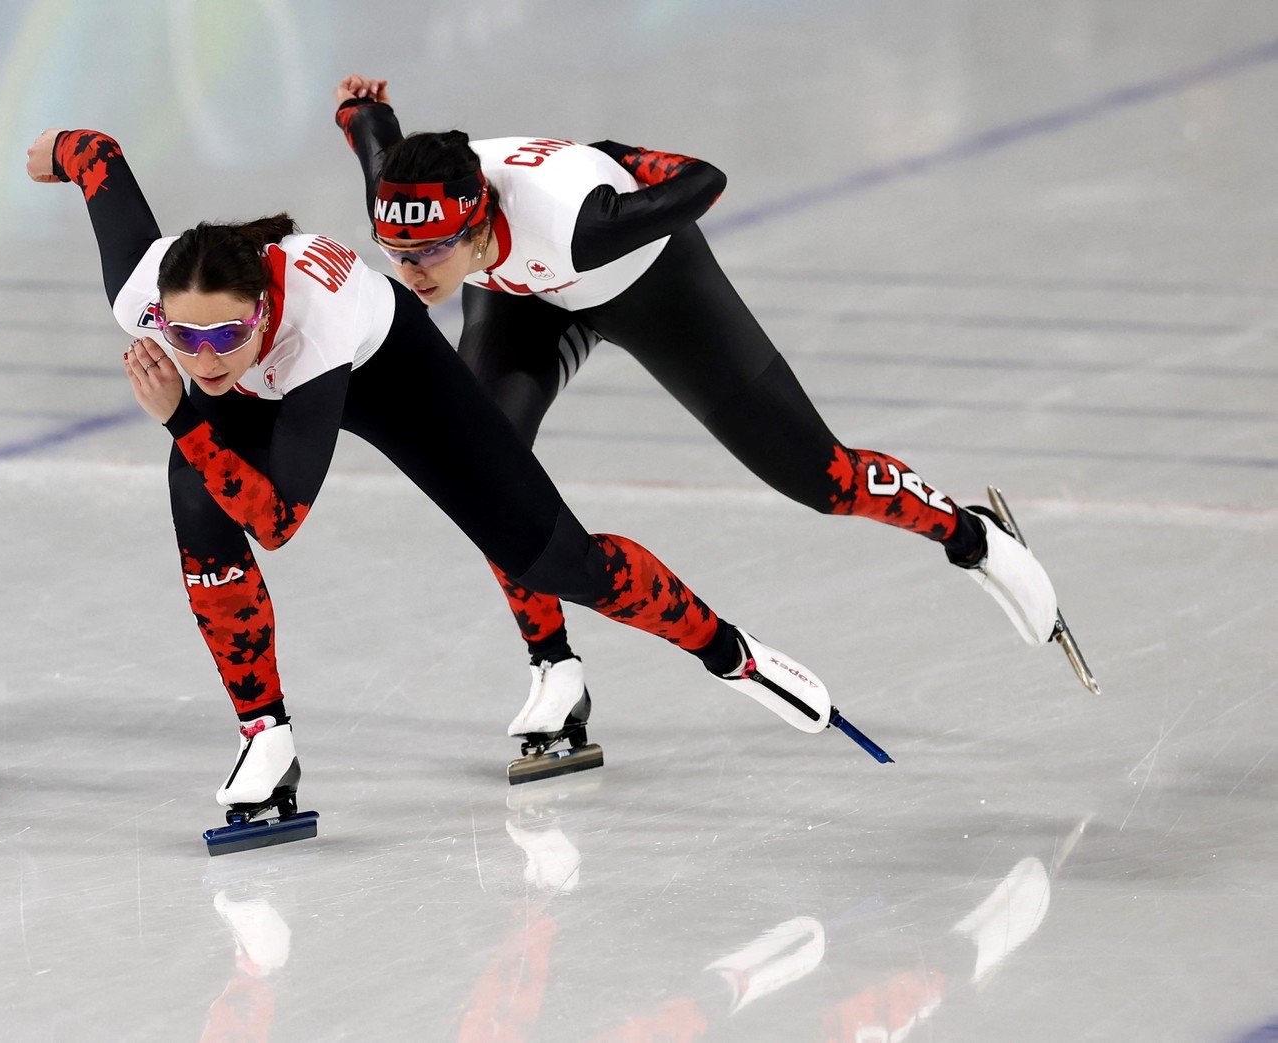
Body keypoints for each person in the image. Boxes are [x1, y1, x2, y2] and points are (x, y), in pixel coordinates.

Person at [26, 127, 863, 848]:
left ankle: (729, 651)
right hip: (262, 385)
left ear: (262, 312)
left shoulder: (312, 329)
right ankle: (264, 735)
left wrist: (181, 416)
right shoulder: (145, 296)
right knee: (197, 497)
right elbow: (100, 158)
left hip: (387, 368)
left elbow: (277, 519)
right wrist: (61, 150)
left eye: (225, 334)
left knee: (557, 561)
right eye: (185, 336)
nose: (204, 355)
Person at [331, 74, 1072, 746]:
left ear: (477, 222)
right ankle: (554, 664)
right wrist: (361, 109)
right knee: (484, 473)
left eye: (428, 253)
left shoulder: (583, 223)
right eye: (395, 251)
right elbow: (375, 138)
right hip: (524, 298)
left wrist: (613, 157)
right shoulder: (400, 197)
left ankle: (970, 532)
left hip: (646, 285)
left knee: (820, 478)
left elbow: (703, 179)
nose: (410, 271)